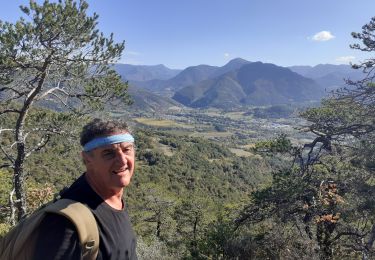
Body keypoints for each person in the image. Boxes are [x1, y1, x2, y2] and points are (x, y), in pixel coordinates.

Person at [33, 118, 138, 259]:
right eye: (109, 153)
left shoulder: (113, 199)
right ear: (88, 159)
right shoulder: (65, 224)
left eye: (127, 150)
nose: (122, 160)